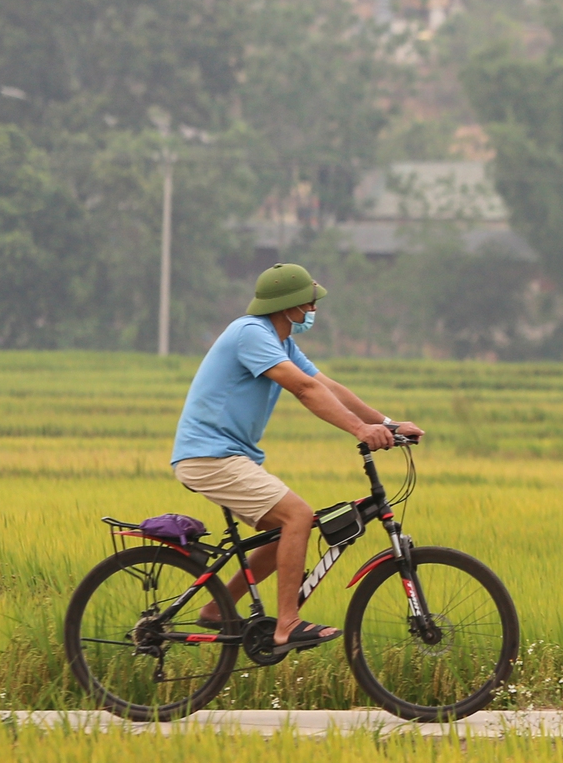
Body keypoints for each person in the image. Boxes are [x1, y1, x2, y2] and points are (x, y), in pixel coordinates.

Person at [169, 263, 421, 651]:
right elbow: (303, 389)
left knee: (286, 530)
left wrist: (388, 423)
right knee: (298, 516)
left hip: (228, 456)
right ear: (288, 306)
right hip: (210, 456)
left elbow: (326, 385)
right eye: (308, 303)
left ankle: (218, 611)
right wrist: (359, 430)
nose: (313, 311)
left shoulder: (280, 341)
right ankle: (287, 623)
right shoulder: (250, 334)